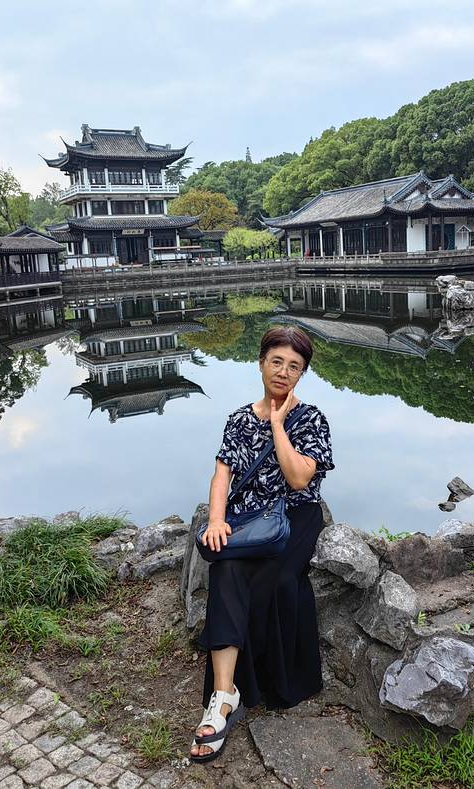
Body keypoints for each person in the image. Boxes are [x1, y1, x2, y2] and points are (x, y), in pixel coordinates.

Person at [190, 325, 334, 763]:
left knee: (279, 579)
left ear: (302, 373)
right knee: (227, 569)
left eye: (294, 366)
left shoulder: (311, 419)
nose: (283, 372)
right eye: (277, 362)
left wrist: (276, 423)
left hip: (294, 516)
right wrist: (217, 519)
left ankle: (273, 682)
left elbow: (299, 478)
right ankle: (224, 697)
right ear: (261, 364)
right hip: (248, 519)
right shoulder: (237, 419)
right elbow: (222, 474)